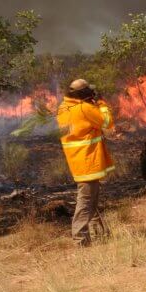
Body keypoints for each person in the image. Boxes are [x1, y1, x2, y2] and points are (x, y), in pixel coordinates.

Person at [56, 78, 115, 246]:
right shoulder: (84, 108)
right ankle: (80, 239)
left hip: (77, 160)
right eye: (89, 91)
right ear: (83, 94)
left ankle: (100, 233)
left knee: (91, 198)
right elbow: (107, 122)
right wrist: (101, 103)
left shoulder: (63, 107)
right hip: (87, 159)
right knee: (86, 201)